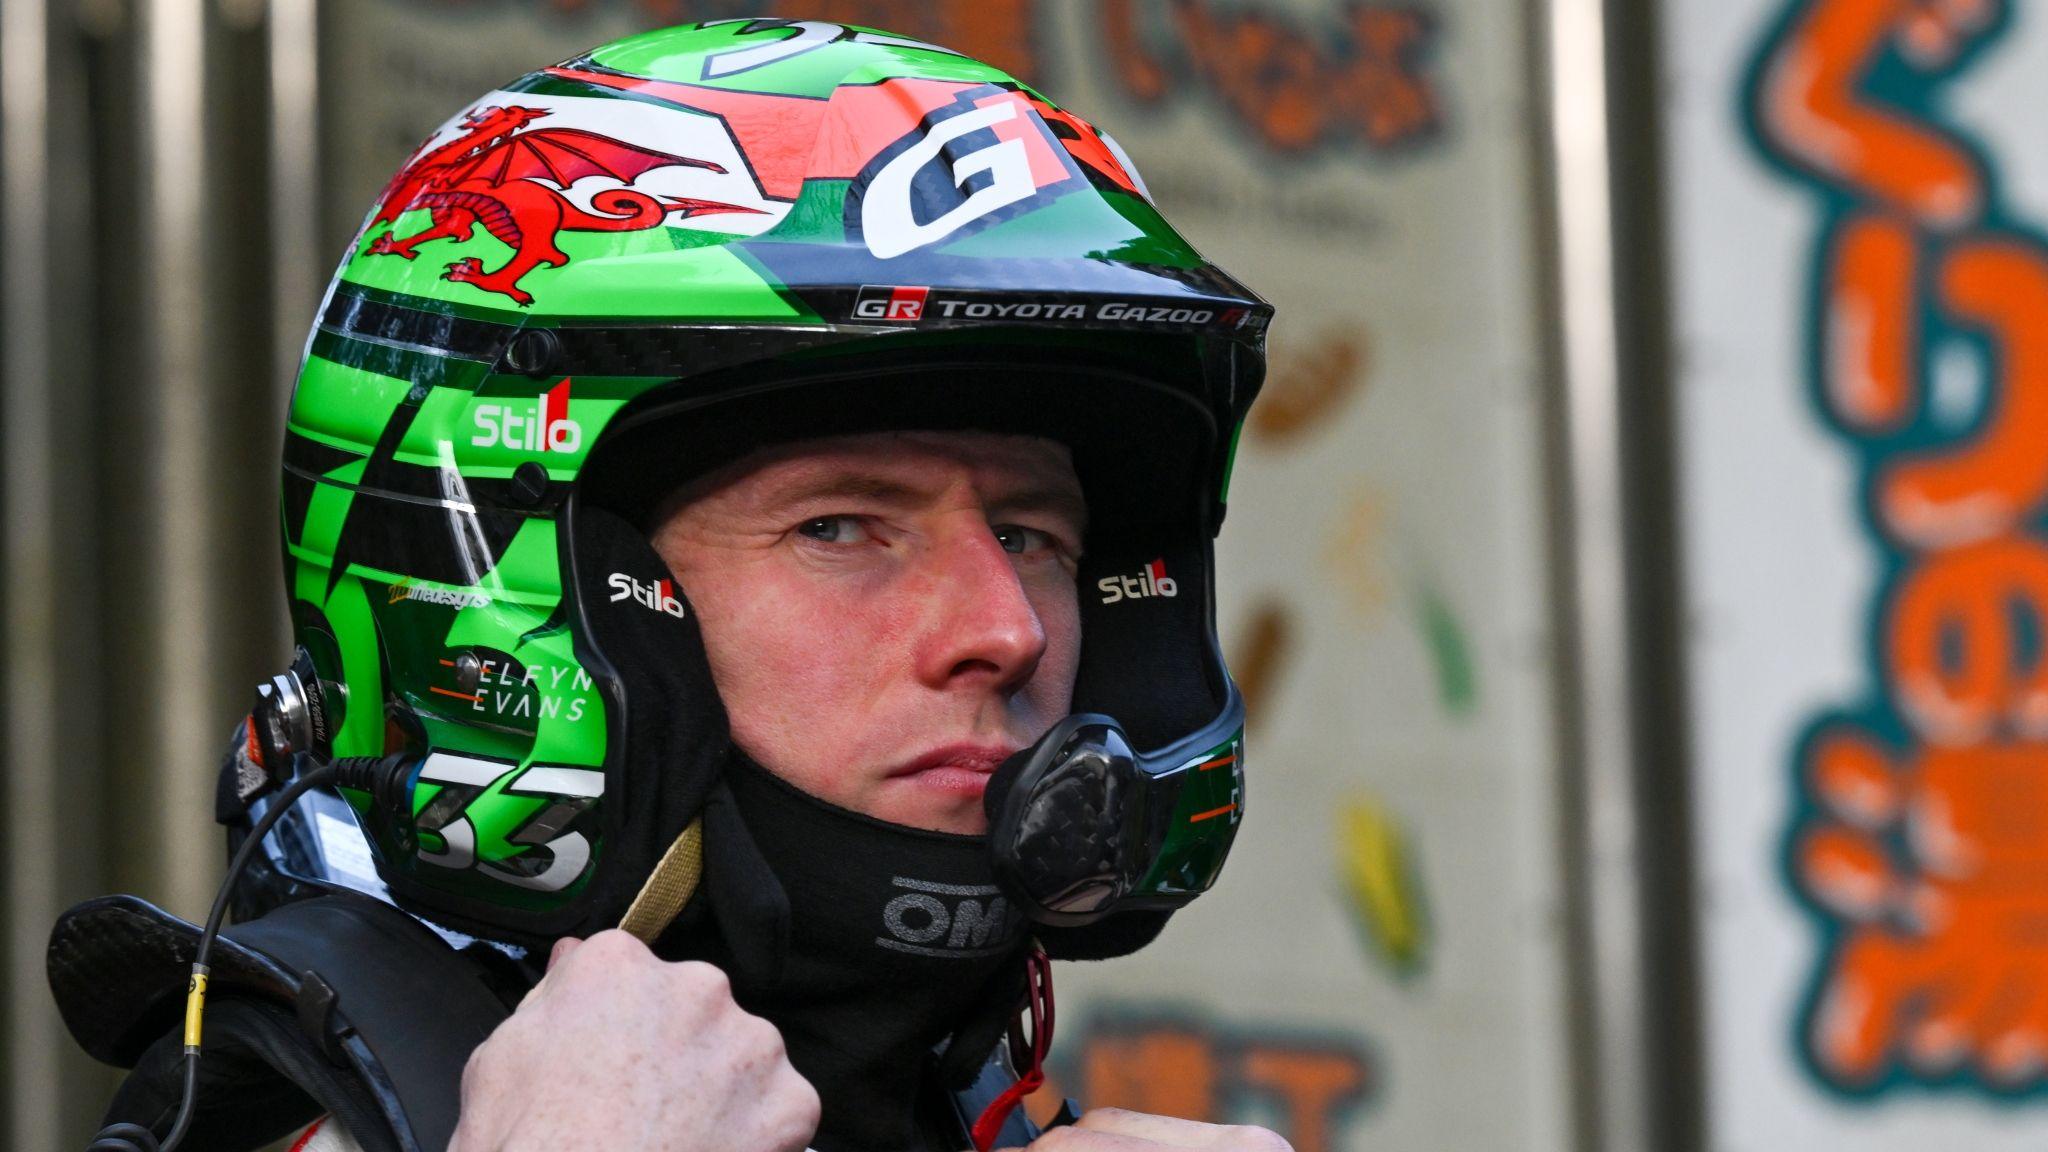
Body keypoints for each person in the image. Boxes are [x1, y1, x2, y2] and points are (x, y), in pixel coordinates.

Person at [49, 18, 1281, 1152]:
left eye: (1028, 537)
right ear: (552, 602)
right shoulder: (296, 1113)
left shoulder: (975, 1097)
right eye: (841, 527)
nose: (1003, 632)